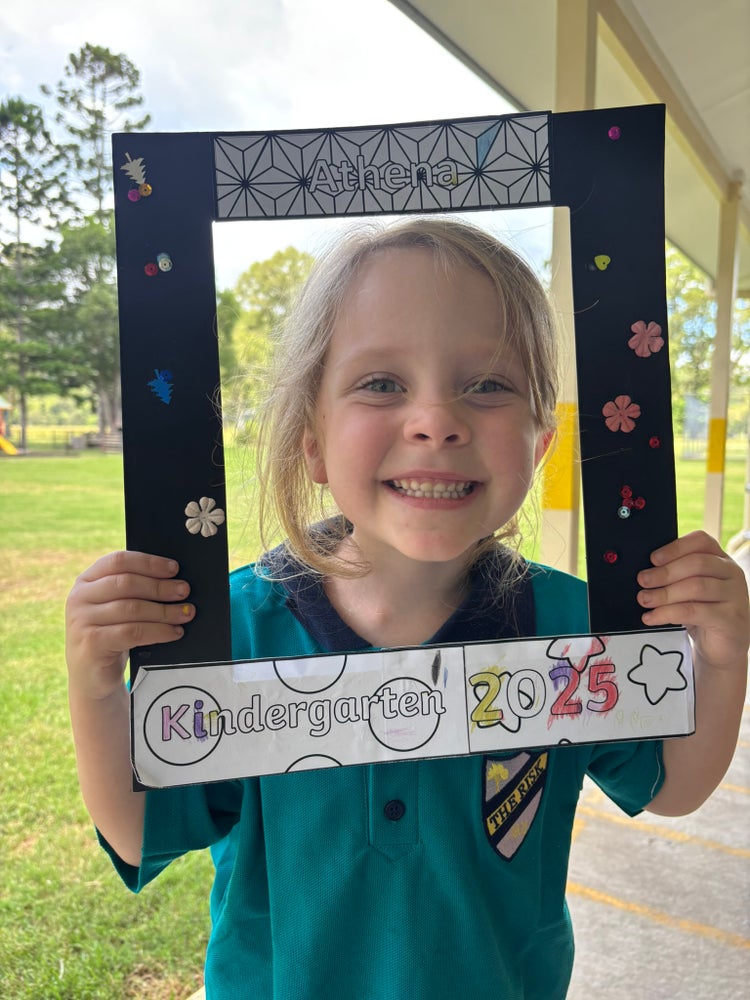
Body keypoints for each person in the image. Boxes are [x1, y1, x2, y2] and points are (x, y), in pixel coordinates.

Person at [65, 217, 749, 999]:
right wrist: (95, 687)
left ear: (539, 444)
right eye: (382, 384)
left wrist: (723, 659)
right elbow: (141, 828)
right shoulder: (236, 628)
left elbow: (671, 785)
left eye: (487, 385)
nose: (436, 421)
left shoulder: (574, 630)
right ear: (312, 441)